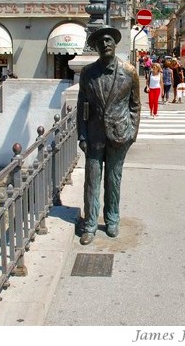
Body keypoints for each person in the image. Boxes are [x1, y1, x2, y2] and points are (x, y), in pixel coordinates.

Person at [76, 26, 141, 245]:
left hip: (120, 134)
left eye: (108, 40)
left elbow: (135, 105)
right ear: (95, 47)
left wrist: (132, 133)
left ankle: (112, 219)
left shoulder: (130, 71)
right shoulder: (87, 73)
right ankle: (90, 224)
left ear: (115, 44)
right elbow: (82, 106)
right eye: (100, 42)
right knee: (92, 181)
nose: (105, 44)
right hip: (94, 135)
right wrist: (82, 135)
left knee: (114, 180)